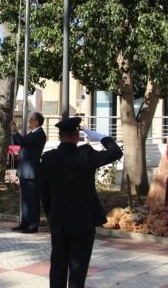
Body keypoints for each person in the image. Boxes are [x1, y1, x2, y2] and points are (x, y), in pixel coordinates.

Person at [40, 117, 123, 288]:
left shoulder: (48, 158)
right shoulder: (85, 153)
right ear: (76, 135)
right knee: (78, 269)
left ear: (61, 135)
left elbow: (44, 193)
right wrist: (102, 138)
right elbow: (116, 152)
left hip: (58, 221)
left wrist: (52, 216)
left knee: (57, 266)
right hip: (82, 221)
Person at [10, 112, 47, 233]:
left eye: (31, 119)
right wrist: (14, 133)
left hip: (31, 171)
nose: (29, 121)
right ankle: (25, 222)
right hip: (24, 170)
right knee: (25, 199)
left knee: (32, 199)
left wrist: (15, 131)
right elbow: (20, 142)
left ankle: (33, 224)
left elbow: (24, 142)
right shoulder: (32, 133)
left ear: (36, 122)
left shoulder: (39, 134)